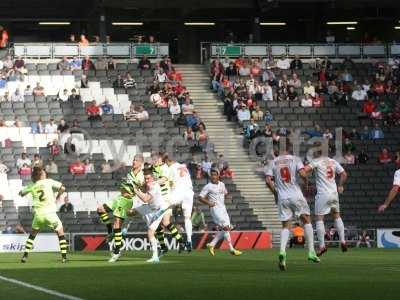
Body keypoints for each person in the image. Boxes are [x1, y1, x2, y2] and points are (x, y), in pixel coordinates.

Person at [265, 139, 320, 271]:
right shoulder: (295, 159)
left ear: (278, 149)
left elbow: (268, 180)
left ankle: (283, 252)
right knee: (307, 220)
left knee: (285, 226)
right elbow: (302, 173)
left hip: (282, 197)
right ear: (289, 148)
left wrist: (275, 193)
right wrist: (306, 182)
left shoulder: (273, 162)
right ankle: (311, 252)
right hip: (296, 195)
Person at [98, 155, 145, 263]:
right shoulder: (130, 172)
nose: (133, 161)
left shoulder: (142, 175)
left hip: (127, 200)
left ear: (140, 163)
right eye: (133, 159)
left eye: (136, 160)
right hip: (119, 197)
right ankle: (111, 232)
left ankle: (117, 251)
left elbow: (143, 187)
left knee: (117, 224)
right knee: (100, 209)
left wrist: (140, 187)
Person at [304, 148, 348, 256]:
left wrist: (306, 180)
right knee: (337, 216)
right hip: (334, 193)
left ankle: (322, 246)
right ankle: (343, 241)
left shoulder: (316, 161)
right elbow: (344, 174)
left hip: (323, 194)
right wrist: (340, 185)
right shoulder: (333, 161)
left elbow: (304, 170)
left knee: (319, 218)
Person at [18, 167, 68, 263]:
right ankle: (64, 257)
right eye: (44, 173)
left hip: (39, 215)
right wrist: (56, 196)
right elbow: (63, 188)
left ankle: (25, 256)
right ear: (41, 175)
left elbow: (21, 193)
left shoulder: (32, 185)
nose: (45, 173)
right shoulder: (48, 181)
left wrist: (25, 191)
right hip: (50, 214)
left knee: (32, 235)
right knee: (60, 233)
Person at [130, 167, 175, 263]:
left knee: (150, 232)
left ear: (153, 178)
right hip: (149, 208)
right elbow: (142, 188)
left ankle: (155, 256)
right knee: (130, 212)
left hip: (158, 211)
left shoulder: (154, 186)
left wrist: (135, 190)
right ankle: (120, 230)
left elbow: (145, 199)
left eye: (148, 178)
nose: (147, 180)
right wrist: (136, 185)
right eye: (145, 178)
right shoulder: (147, 185)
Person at [199, 168, 242, 256]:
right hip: (215, 209)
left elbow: (225, 193)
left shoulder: (222, 184)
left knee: (226, 228)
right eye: (212, 175)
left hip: (223, 209)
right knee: (226, 227)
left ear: (218, 175)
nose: (213, 176)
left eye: (215, 175)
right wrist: (208, 202)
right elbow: (200, 197)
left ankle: (212, 245)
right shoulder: (208, 186)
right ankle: (231, 249)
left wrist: (228, 196)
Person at [163, 153, 194, 251]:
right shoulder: (184, 166)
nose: (165, 164)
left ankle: (157, 215)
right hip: (189, 192)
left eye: (165, 162)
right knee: (187, 217)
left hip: (179, 192)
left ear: (168, 161)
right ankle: (189, 240)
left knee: (164, 204)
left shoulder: (171, 168)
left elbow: (170, 183)